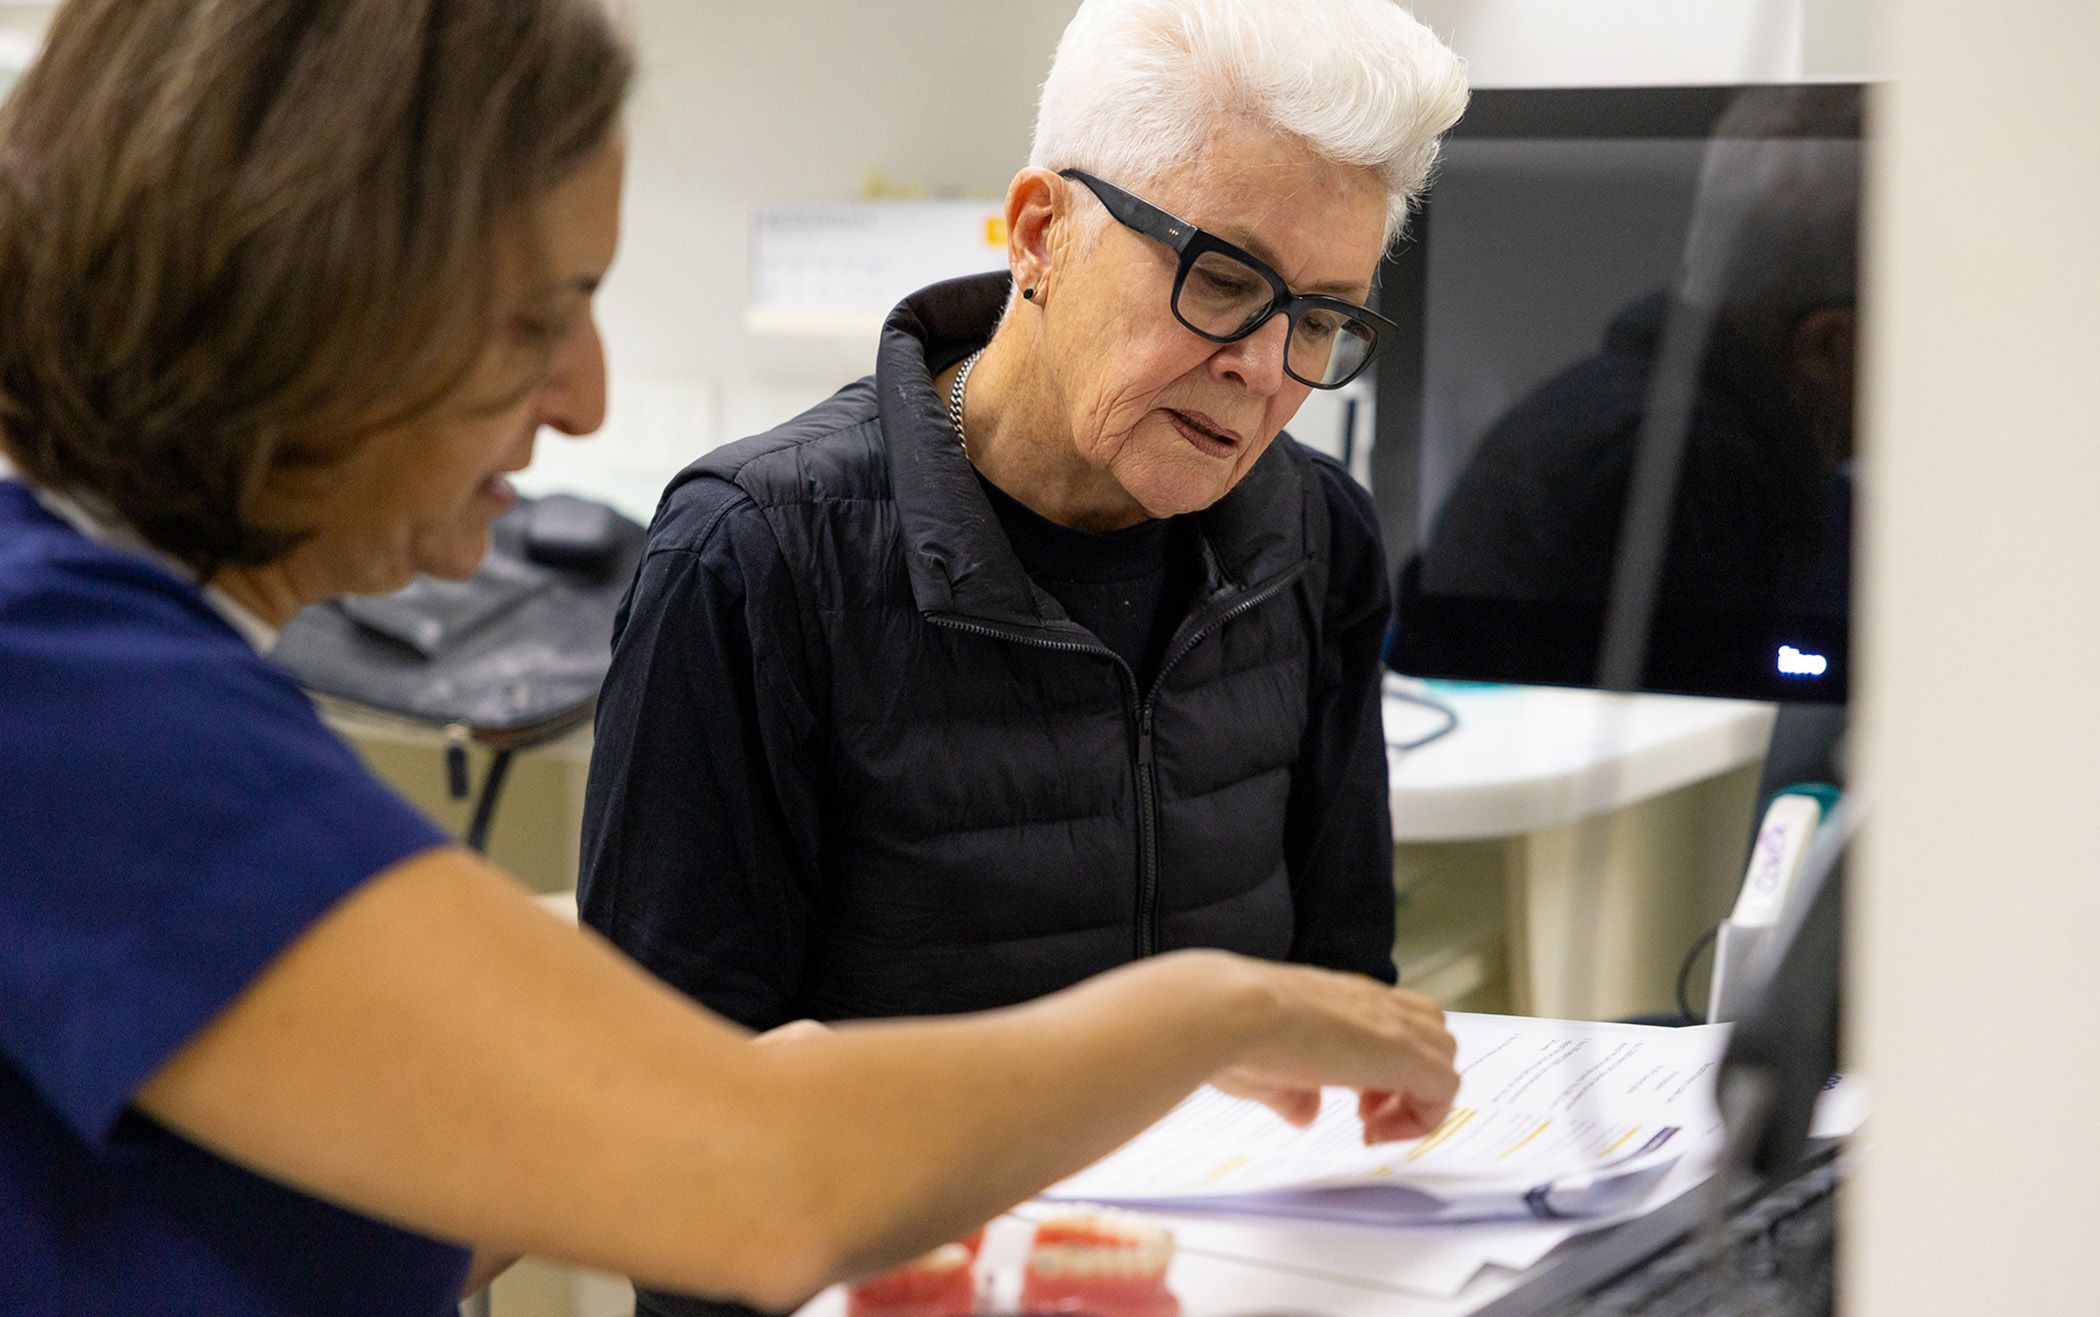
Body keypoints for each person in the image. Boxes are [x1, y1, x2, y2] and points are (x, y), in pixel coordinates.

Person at [0, 3, 1460, 1314]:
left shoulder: (114, 667)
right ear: (287, 293)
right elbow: (739, 1177)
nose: (585, 397)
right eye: (532, 317)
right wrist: (1223, 1009)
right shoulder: (69, 696)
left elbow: (537, 1155)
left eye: (1320, 320)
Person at [579, 4, 1471, 1230]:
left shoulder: (1315, 537)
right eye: (1222, 279)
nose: (1266, 370)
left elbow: (1341, 1005)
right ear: (1042, 234)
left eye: (1320, 319)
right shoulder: (758, 558)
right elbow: (664, 1134)